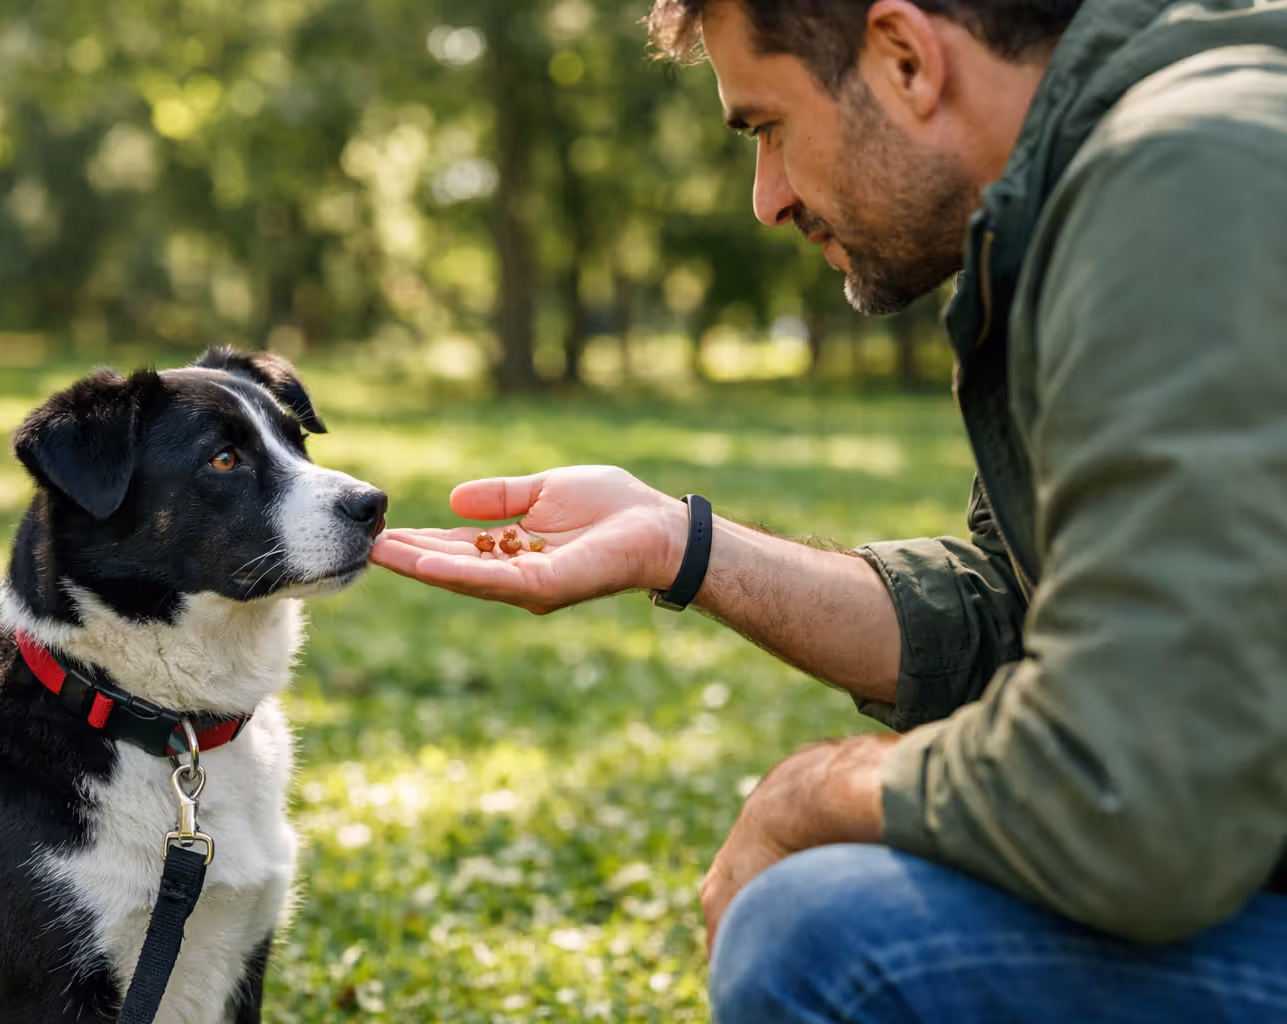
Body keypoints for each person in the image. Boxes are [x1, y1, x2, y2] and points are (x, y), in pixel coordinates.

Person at [371, 0, 1287, 1018]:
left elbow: (1137, 794)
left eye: (767, 127)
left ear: (903, 56)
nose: (766, 199)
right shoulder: (1101, 190)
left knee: (823, 933)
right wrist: (683, 545)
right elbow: (1020, 614)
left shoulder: (1184, 182)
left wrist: (811, 795)